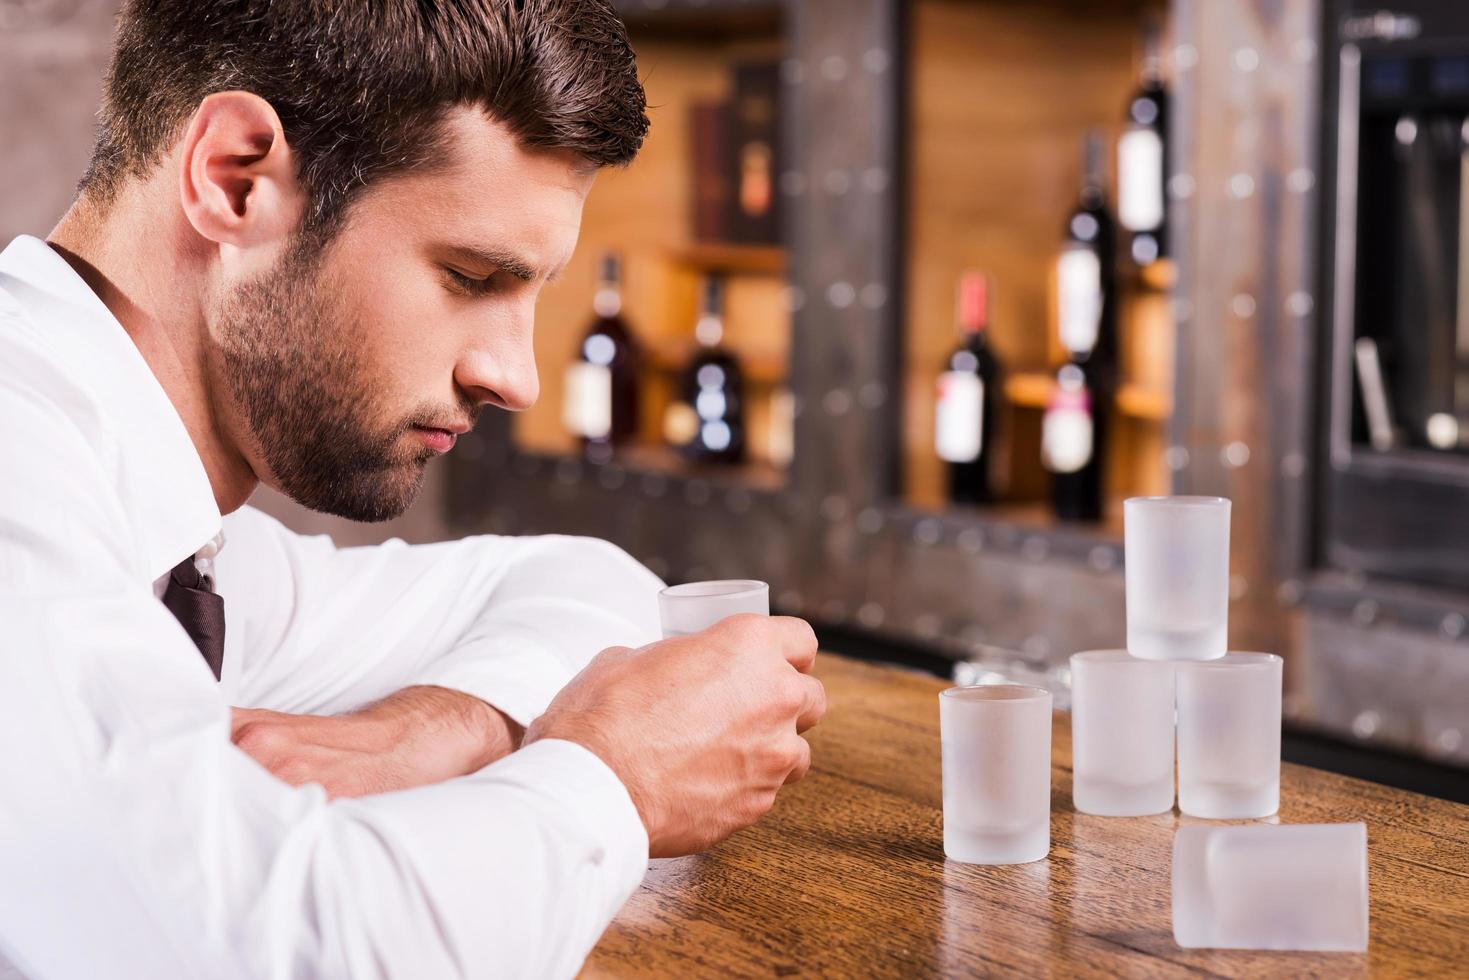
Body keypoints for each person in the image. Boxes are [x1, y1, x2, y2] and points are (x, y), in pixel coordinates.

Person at [0, 1, 826, 977]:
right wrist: (614, 778)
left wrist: (435, 727)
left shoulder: (163, 531)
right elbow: (278, 953)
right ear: (235, 180)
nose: (514, 377)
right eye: (471, 277)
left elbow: (590, 585)